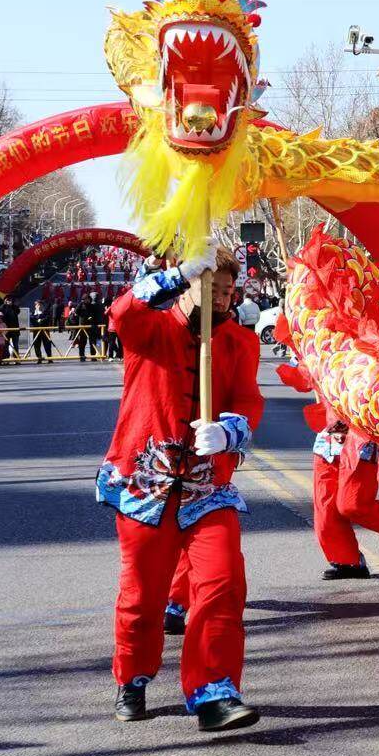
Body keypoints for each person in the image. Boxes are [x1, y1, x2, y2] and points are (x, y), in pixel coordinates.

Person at [97, 247, 264, 731]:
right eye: (212, 287)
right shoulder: (151, 329)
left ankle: (214, 690)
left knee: (222, 583)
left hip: (207, 486)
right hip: (145, 483)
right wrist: (173, 275)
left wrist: (230, 431)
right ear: (190, 285)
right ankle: (132, 676)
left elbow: (249, 400)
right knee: (142, 597)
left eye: (229, 291)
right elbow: (122, 312)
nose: (222, 298)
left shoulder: (239, 342)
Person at [309, 410, 379, 578]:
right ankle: (348, 562)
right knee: (326, 510)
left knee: (352, 504)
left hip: (360, 439)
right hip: (328, 440)